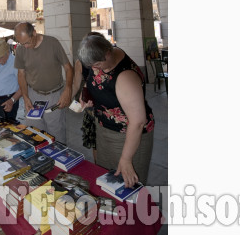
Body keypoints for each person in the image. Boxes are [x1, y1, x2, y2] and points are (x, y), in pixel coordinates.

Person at [77, 35, 155, 187]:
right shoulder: (100, 60)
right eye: (91, 66)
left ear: (107, 53)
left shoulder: (125, 76)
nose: (94, 69)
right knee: (107, 182)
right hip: (104, 129)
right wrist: (86, 93)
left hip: (127, 137)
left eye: (97, 64)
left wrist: (126, 159)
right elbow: (93, 80)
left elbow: (138, 122)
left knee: (127, 187)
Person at [13, 22, 73, 143]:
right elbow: (21, 74)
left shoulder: (52, 43)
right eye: (21, 43)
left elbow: (68, 68)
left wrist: (68, 89)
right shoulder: (20, 49)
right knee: (35, 135)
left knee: (57, 136)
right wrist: (25, 97)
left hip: (54, 96)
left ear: (34, 33)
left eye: (27, 42)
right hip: (33, 95)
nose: (25, 46)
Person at [71, 32, 106, 163]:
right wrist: (67, 99)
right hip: (91, 107)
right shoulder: (80, 62)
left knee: (109, 141)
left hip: (109, 107)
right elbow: (75, 84)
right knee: (95, 141)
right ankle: (99, 167)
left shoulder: (107, 60)